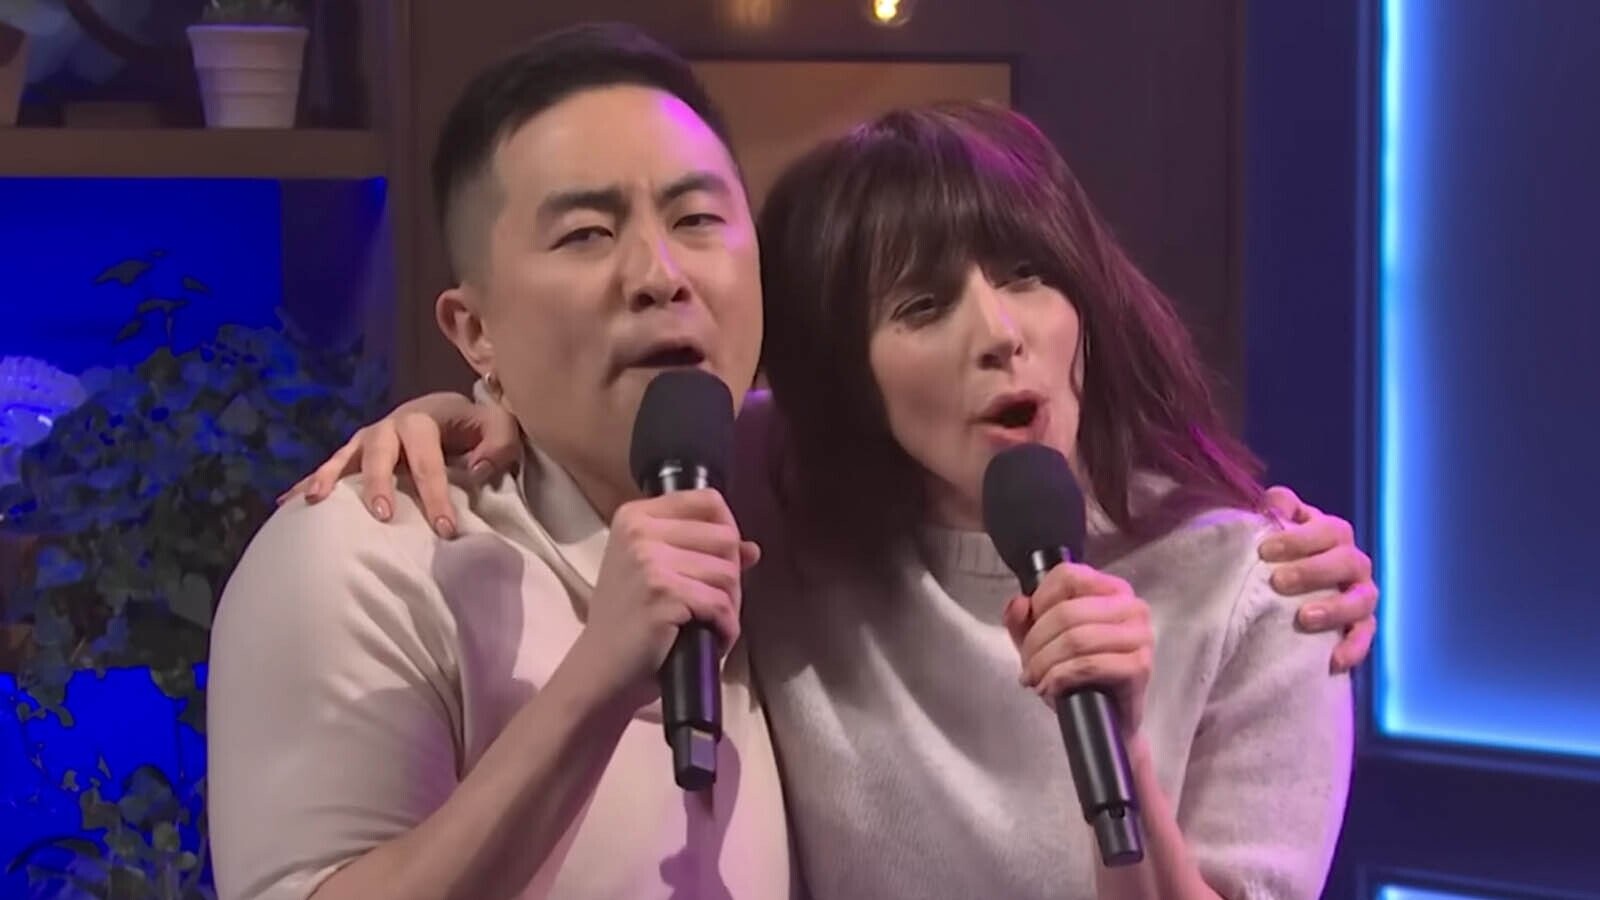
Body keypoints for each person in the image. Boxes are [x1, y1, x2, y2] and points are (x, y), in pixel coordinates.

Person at [288, 94, 1368, 900]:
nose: (1000, 333)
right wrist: (464, 410)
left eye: (1027, 275)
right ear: (846, 378)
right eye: (922, 306)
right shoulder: (784, 495)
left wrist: (1122, 749)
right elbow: (623, 423)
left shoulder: (1263, 592)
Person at [206, 24, 792, 900]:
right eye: (587, 233)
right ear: (474, 329)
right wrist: (596, 680)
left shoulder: (799, 500)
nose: (659, 273)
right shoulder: (365, 556)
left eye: (697, 219)